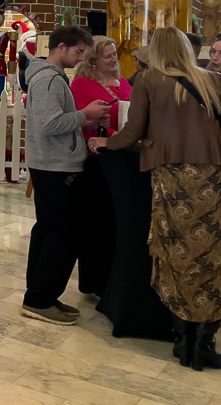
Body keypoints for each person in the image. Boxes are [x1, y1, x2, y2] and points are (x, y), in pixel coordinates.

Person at [95, 27, 221, 371]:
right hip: (212, 177)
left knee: (176, 253)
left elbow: (133, 132)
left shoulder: (149, 81)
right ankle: (204, 342)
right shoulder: (213, 79)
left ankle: (182, 340)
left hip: (171, 176)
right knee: (209, 256)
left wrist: (108, 143)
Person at [21, 26, 111, 325]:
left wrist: (86, 118)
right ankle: (40, 299)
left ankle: (39, 293)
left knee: (48, 229)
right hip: (55, 165)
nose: (80, 58)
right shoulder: (48, 78)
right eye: (78, 52)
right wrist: (86, 114)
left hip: (50, 162)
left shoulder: (48, 76)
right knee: (65, 233)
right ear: (61, 47)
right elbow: (50, 124)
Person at [69, 35, 129, 297]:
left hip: (124, 158)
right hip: (97, 160)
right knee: (97, 222)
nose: (114, 59)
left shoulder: (124, 83)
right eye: (108, 56)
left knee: (117, 223)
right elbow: (79, 121)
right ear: (93, 60)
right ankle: (94, 281)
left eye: (114, 54)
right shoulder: (83, 84)